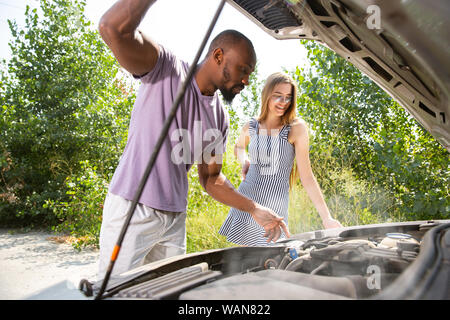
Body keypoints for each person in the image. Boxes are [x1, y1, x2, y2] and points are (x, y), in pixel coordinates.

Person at [96, 0, 289, 279]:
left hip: (174, 220)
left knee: (172, 292)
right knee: (116, 291)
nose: (246, 80)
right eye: (243, 69)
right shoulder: (166, 69)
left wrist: (254, 208)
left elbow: (211, 179)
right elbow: (112, 28)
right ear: (219, 55)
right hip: (132, 209)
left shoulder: (219, 117)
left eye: (249, 73)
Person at [219, 72, 342, 246]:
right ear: (267, 95)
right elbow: (238, 147)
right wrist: (244, 161)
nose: (283, 102)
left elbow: (307, 177)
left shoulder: (295, 129)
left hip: (273, 208)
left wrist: (327, 218)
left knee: (272, 262)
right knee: (246, 265)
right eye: (278, 96)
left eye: (287, 97)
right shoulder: (252, 126)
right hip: (247, 201)